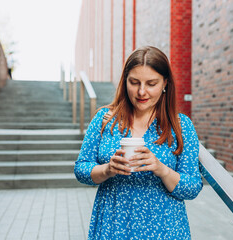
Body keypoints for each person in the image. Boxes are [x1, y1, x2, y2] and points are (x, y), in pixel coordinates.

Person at [74, 46, 202, 239]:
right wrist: (107, 170)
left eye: (151, 83)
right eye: (134, 82)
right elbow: (81, 169)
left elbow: (192, 187)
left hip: (164, 229)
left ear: (165, 83)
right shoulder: (105, 119)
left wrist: (162, 169)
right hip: (113, 224)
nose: (142, 91)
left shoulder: (181, 126)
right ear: (125, 81)